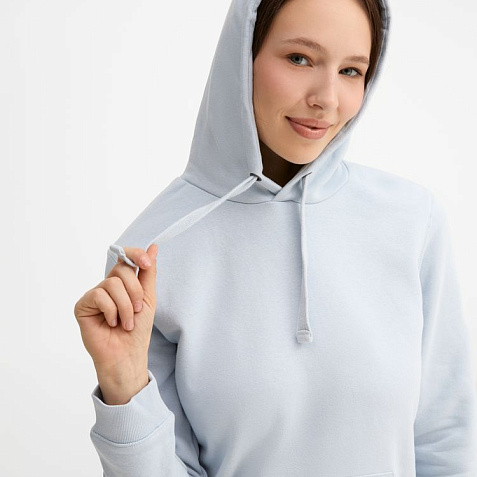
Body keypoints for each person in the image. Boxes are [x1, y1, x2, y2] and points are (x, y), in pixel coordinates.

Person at [73, 0, 477, 474]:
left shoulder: (410, 220)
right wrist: (124, 386)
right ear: (242, 54)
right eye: (299, 58)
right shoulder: (154, 250)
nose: (327, 98)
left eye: (351, 70)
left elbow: (445, 439)